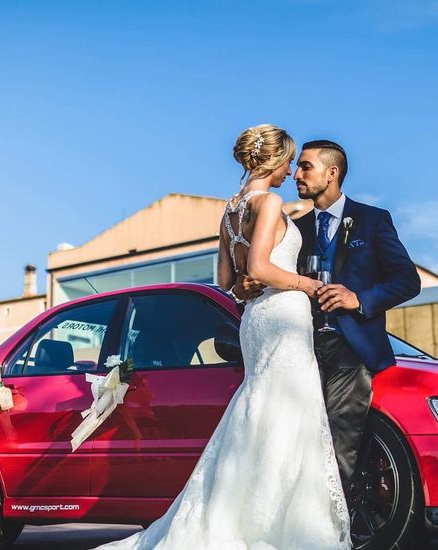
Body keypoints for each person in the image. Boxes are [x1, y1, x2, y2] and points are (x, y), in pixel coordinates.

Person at [95, 124, 350, 550]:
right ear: (273, 160)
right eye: (289, 161)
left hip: (255, 320)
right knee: (287, 417)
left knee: (260, 413)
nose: (291, 170)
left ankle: (248, 517)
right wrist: (308, 286)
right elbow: (263, 267)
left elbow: (227, 283)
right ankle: (276, 528)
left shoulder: (230, 210)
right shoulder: (268, 202)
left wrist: (249, 288)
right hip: (283, 319)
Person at [236, 139, 421, 514]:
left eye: (305, 167)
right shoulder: (293, 226)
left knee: (339, 441)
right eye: (297, 167)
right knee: (291, 440)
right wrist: (249, 285)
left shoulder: (373, 219)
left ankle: (328, 524)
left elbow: (407, 280)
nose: (296, 174)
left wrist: (359, 299)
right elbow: (257, 275)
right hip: (296, 347)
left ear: (331, 173)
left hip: (351, 348)